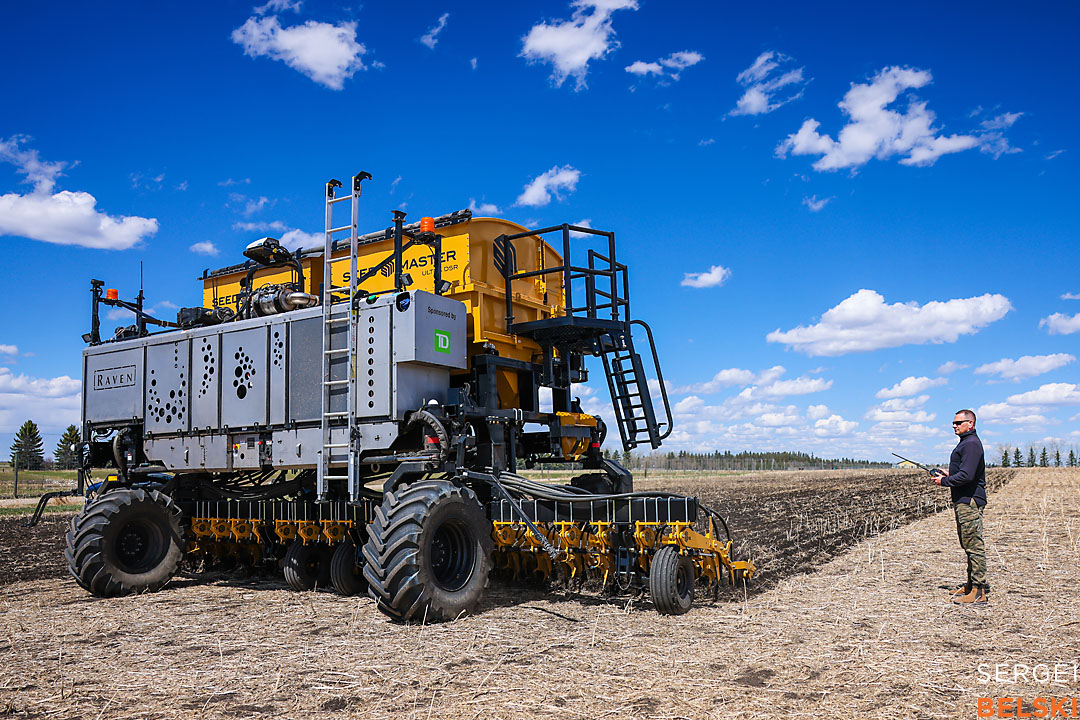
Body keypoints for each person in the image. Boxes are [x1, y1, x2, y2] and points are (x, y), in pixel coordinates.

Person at [933, 409, 988, 605]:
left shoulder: (971, 443)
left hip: (969, 501)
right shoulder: (966, 443)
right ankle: (970, 584)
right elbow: (964, 471)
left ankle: (979, 591)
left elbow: (967, 476)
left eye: (958, 423)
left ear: (970, 424)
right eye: (953, 423)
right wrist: (949, 474)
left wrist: (944, 482)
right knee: (968, 544)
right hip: (964, 500)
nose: (954, 426)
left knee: (973, 545)